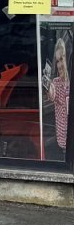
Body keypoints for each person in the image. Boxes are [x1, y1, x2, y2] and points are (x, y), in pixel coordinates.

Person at [44, 31, 70, 161]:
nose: (60, 65)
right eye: (58, 60)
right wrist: (49, 88)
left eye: (62, 59)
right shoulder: (56, 83)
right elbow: (51, 95)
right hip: (64, 141)